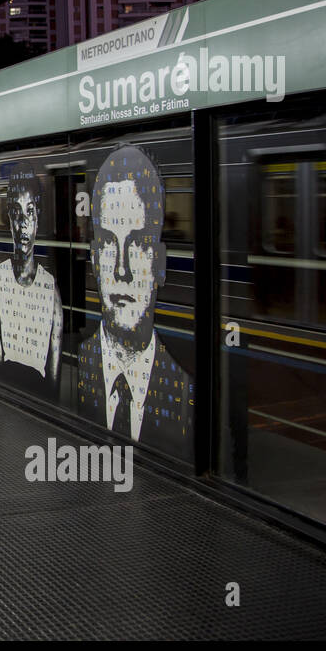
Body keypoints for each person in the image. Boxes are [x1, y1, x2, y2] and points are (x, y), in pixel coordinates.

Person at [76, 145, 194, 460]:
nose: (122, 271)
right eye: (109, 244)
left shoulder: (185, 393)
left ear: (160, 264)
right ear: (94, 259)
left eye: (138, 243)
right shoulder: (82, 362)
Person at [0, 160, 62, 398]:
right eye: (17, 213)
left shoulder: (50, 289)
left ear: (38, 219)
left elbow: (53, 385)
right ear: (9, 220)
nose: (23, 224)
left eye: (30, 212)